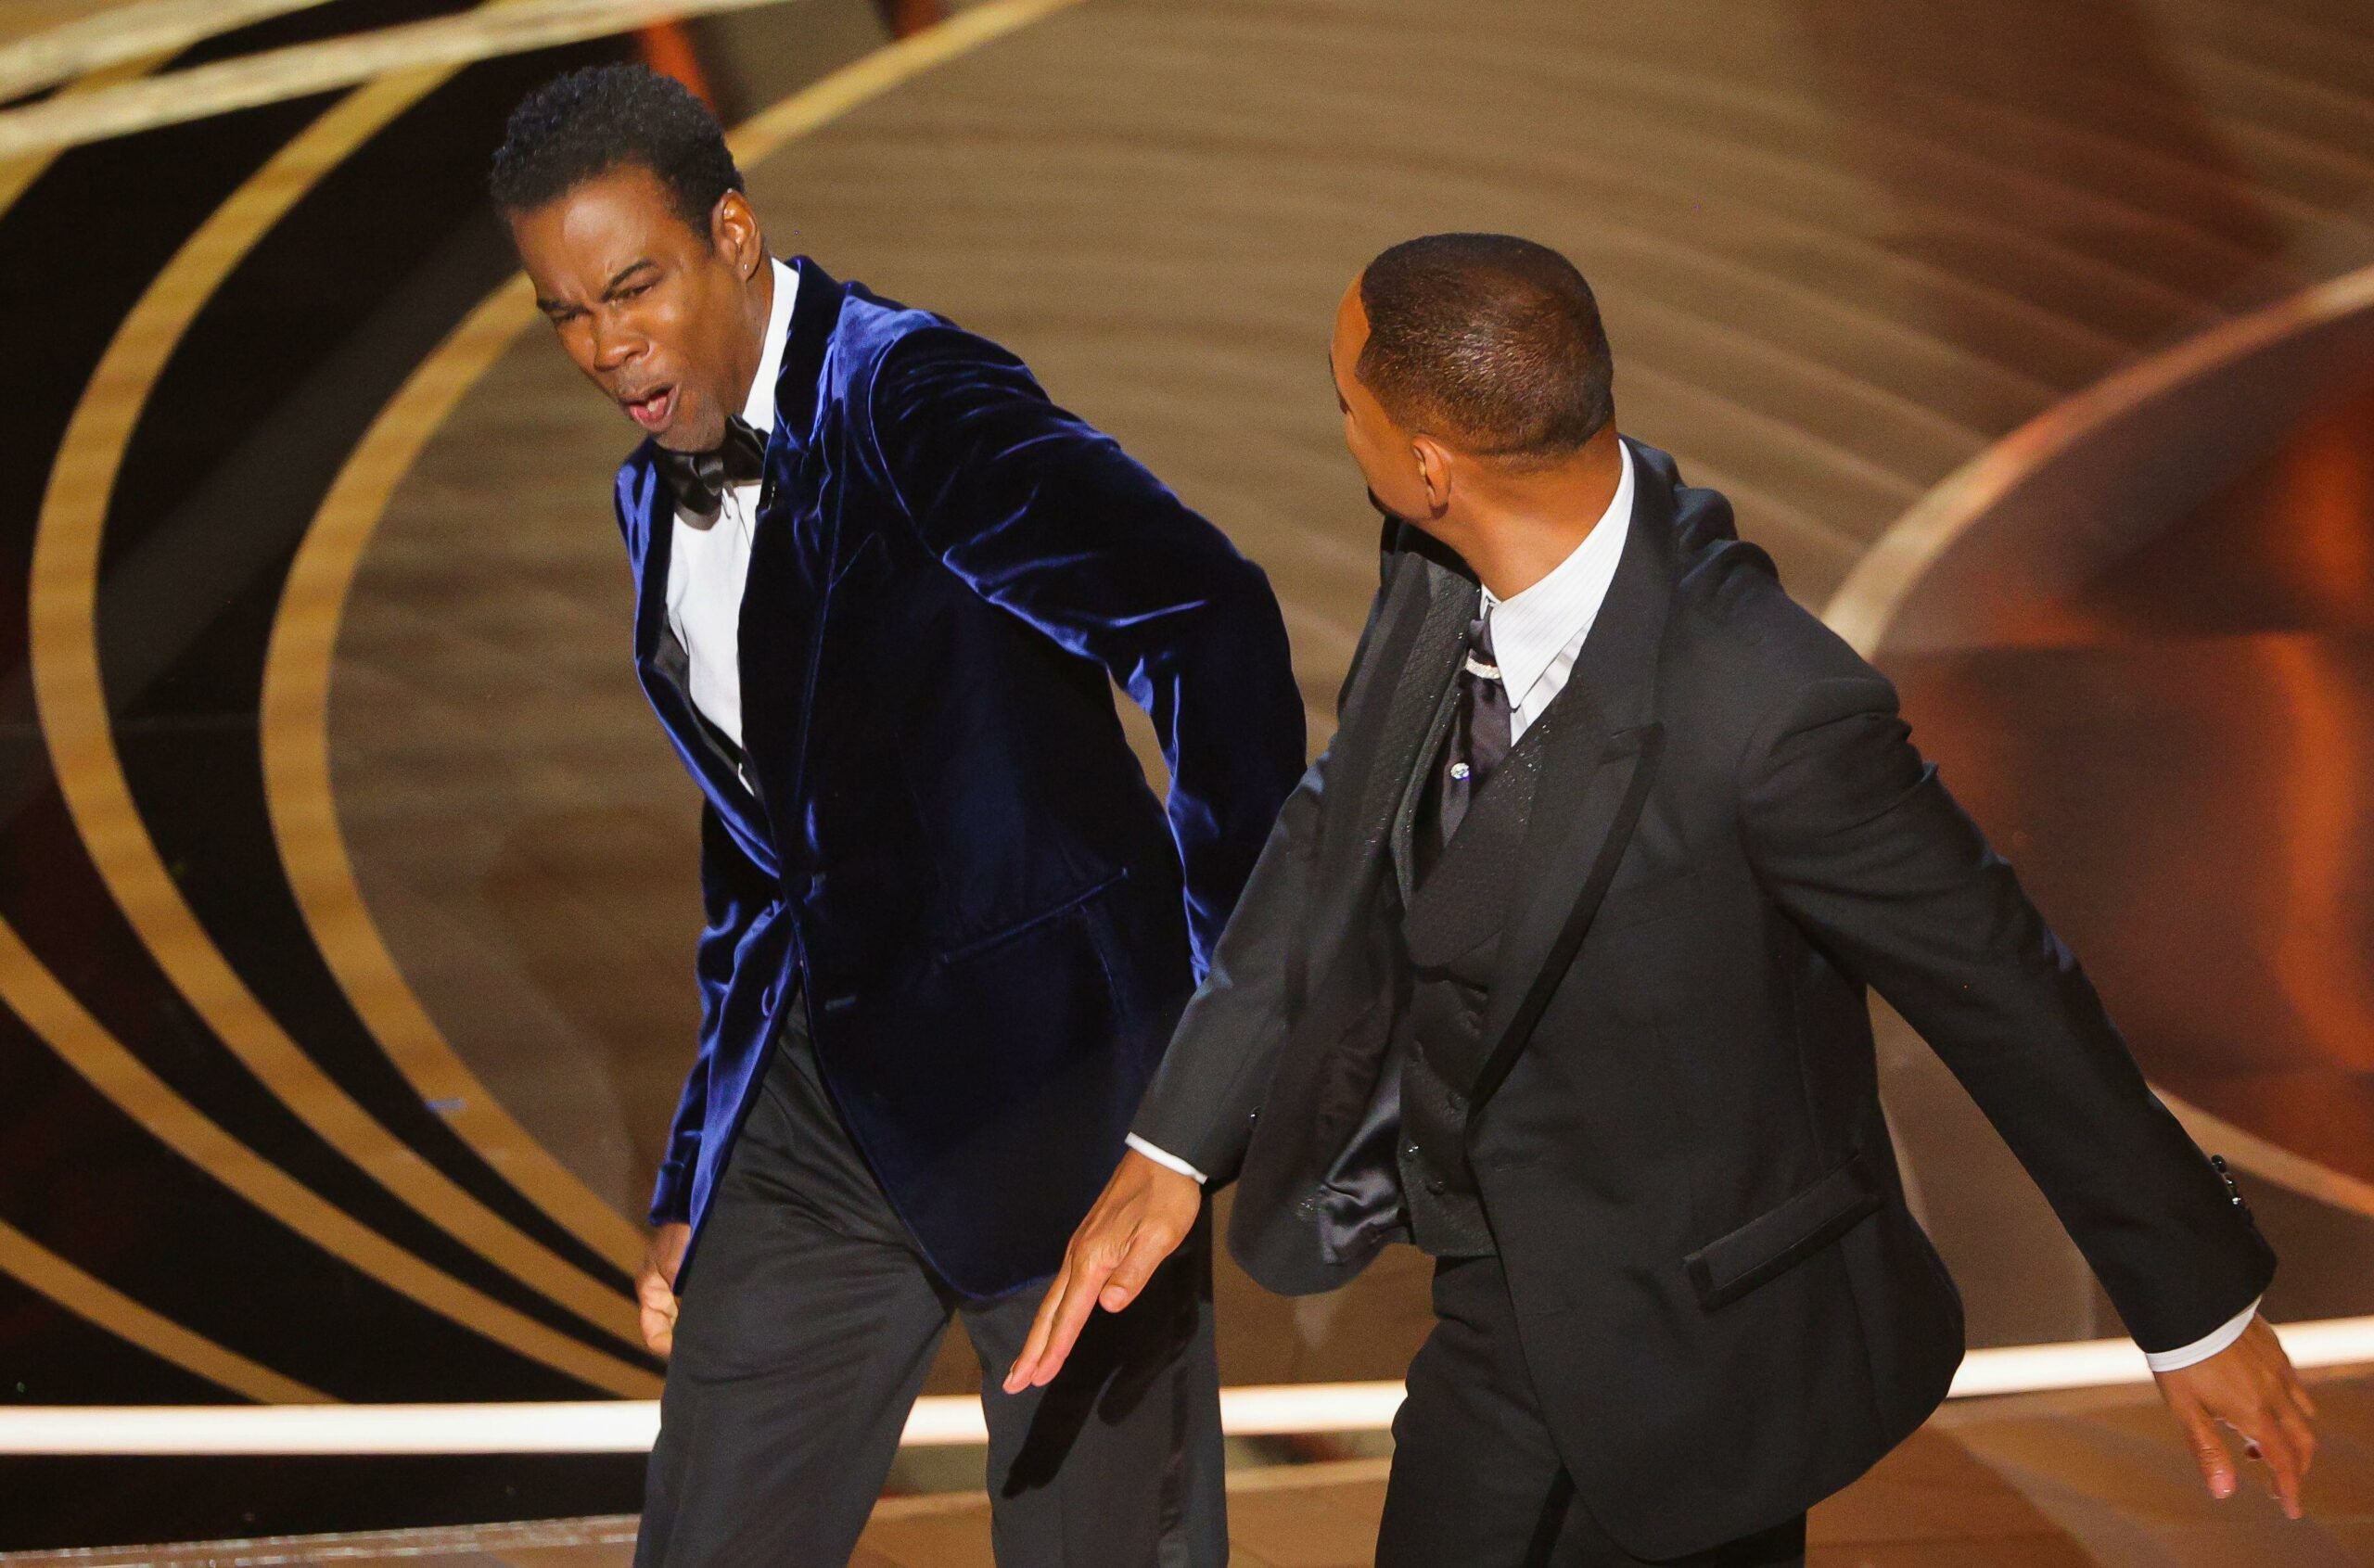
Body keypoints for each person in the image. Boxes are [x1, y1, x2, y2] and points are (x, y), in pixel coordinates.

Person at [1006, 233, 2317, 1567]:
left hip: (1713, 1349)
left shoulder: (1772, 714)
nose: (1340, 424)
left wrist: (2197, 1307)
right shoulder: (1434, 562)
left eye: (1345, 402)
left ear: (1429, 465)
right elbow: (1339, 824)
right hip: (1499, 1308)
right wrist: (1174, 1146)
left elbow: (2006, 993)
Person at [490, 64, 1306, 1567]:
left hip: (1063, 1106)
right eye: (565, 313)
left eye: (632, 289)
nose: (605, 347)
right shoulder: (651, 490)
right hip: (820, 1112)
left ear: (733, 233)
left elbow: (1211, 622)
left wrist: (1217, 1028)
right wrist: (699, 1164)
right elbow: (759, 850)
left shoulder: (911, 400)